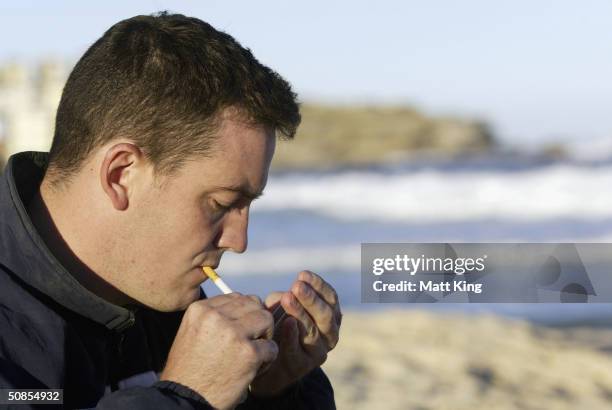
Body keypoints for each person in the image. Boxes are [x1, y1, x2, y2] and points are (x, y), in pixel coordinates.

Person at [0, 12, 341, 409]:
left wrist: (275, 392)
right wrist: (186, 397)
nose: (239, 241)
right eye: (222, 203)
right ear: (121, 174)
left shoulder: (167, 296)